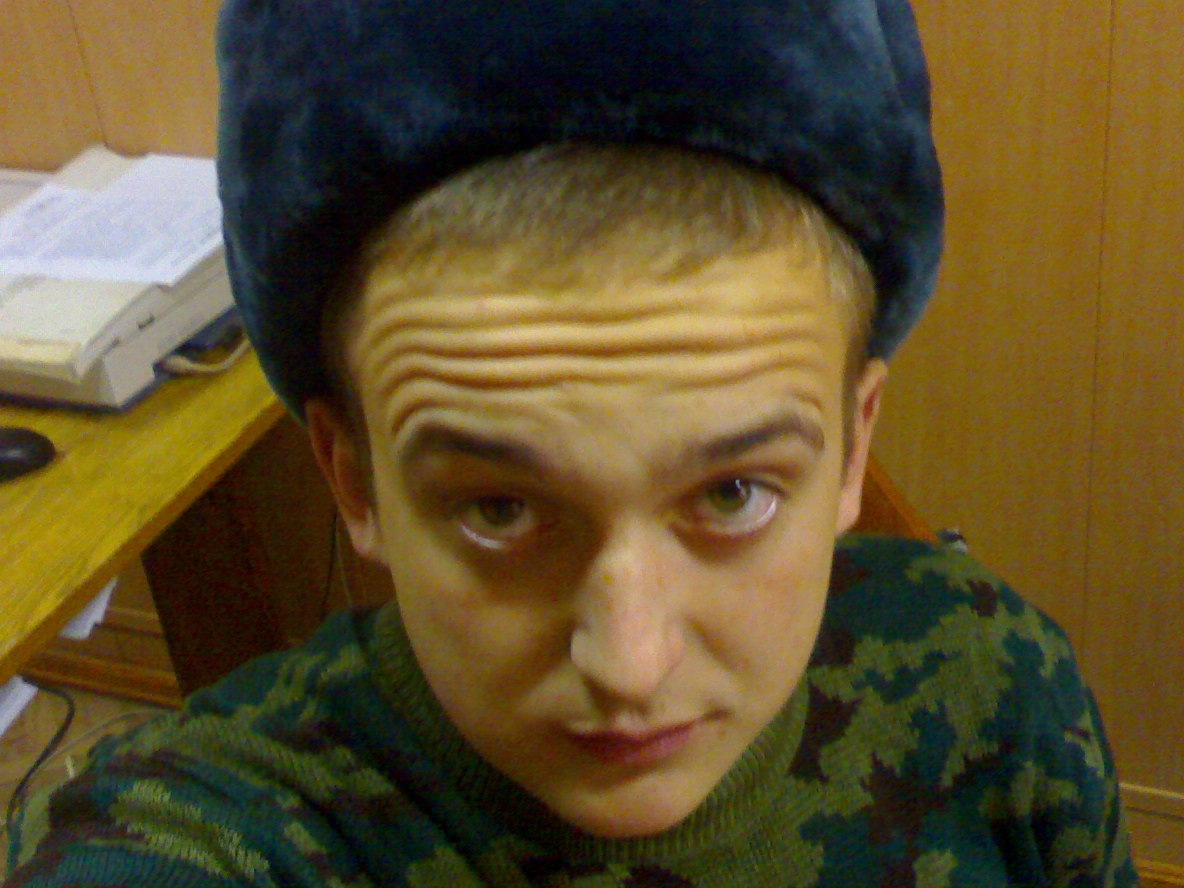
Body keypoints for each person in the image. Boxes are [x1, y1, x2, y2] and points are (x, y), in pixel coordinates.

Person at [6, 0, 1136, 885]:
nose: (629, 666)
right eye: (499, 510)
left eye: (733, 493)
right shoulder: (209, 829)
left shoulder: (993, 688)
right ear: (354, 480)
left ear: (852, 448)